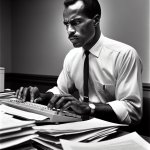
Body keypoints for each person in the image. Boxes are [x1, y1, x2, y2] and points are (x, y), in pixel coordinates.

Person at [16, 0, 143, 125]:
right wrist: (42, 97)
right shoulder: (72, 56)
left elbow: (132, 110)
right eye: (66, 24)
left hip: (116, 133)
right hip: (79, 127)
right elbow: (61, 91)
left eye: (76, 22)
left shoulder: (124, 55)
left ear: (96, 20)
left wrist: (89, 108)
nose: (69, 30)